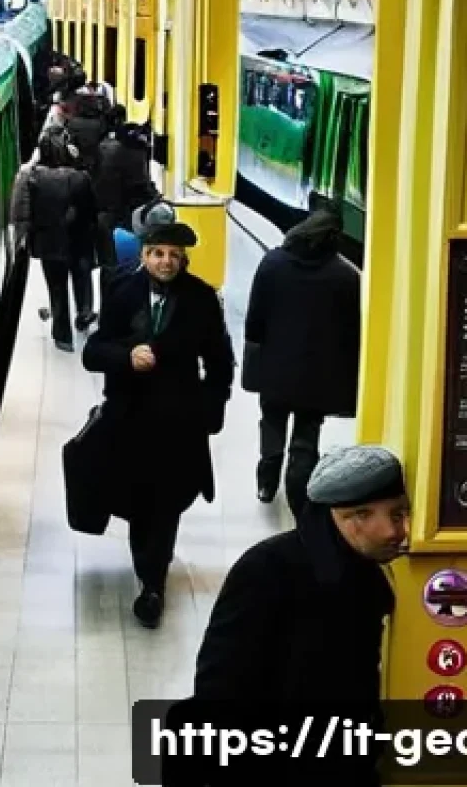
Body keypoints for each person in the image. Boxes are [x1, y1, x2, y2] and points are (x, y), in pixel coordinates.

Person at [182, 446, 408, 785]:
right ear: (351, 517)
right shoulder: (267, 570)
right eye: (389, 516)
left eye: (402, 513)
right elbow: (221, 685)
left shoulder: (367, 575)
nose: (399, 531)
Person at [82, 219, 234, 627]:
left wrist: (210, 410)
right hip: (128, 423)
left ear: (182, 259)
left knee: (166, 506)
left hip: (179, 427)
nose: (165, 262)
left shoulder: (202, 299)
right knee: (139, 506)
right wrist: (125, 358)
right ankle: (149, 565)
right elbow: (93, 351)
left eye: (173, 255)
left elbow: (221, 363)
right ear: (145, 255)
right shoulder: (120, 291)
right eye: (157, 253)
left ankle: (152, 585)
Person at [242, 208, 361, 516]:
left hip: (275, 369)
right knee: (307, 434)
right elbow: (352, 334)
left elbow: (254, 320)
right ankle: (300, 492)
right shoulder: (345, 276)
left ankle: (267, 480)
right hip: (319, 375)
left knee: (272, 421)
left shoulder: (272, 263)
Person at [13, 129, 97, 350]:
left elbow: (21, 212)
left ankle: (62, 336)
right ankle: (84, 312)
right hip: (79, 241)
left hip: (48, 243)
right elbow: (91, 212)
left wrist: (26, 238)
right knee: (82, 277)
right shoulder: (81, 178)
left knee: (57, 288)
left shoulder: (31, 178)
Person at [92, 105, 160, 270]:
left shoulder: (104, 146)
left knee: (108, 254)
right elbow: (139, 185)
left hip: (103, 205)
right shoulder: (133, 155)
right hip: (122, 209)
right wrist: (155, 196)